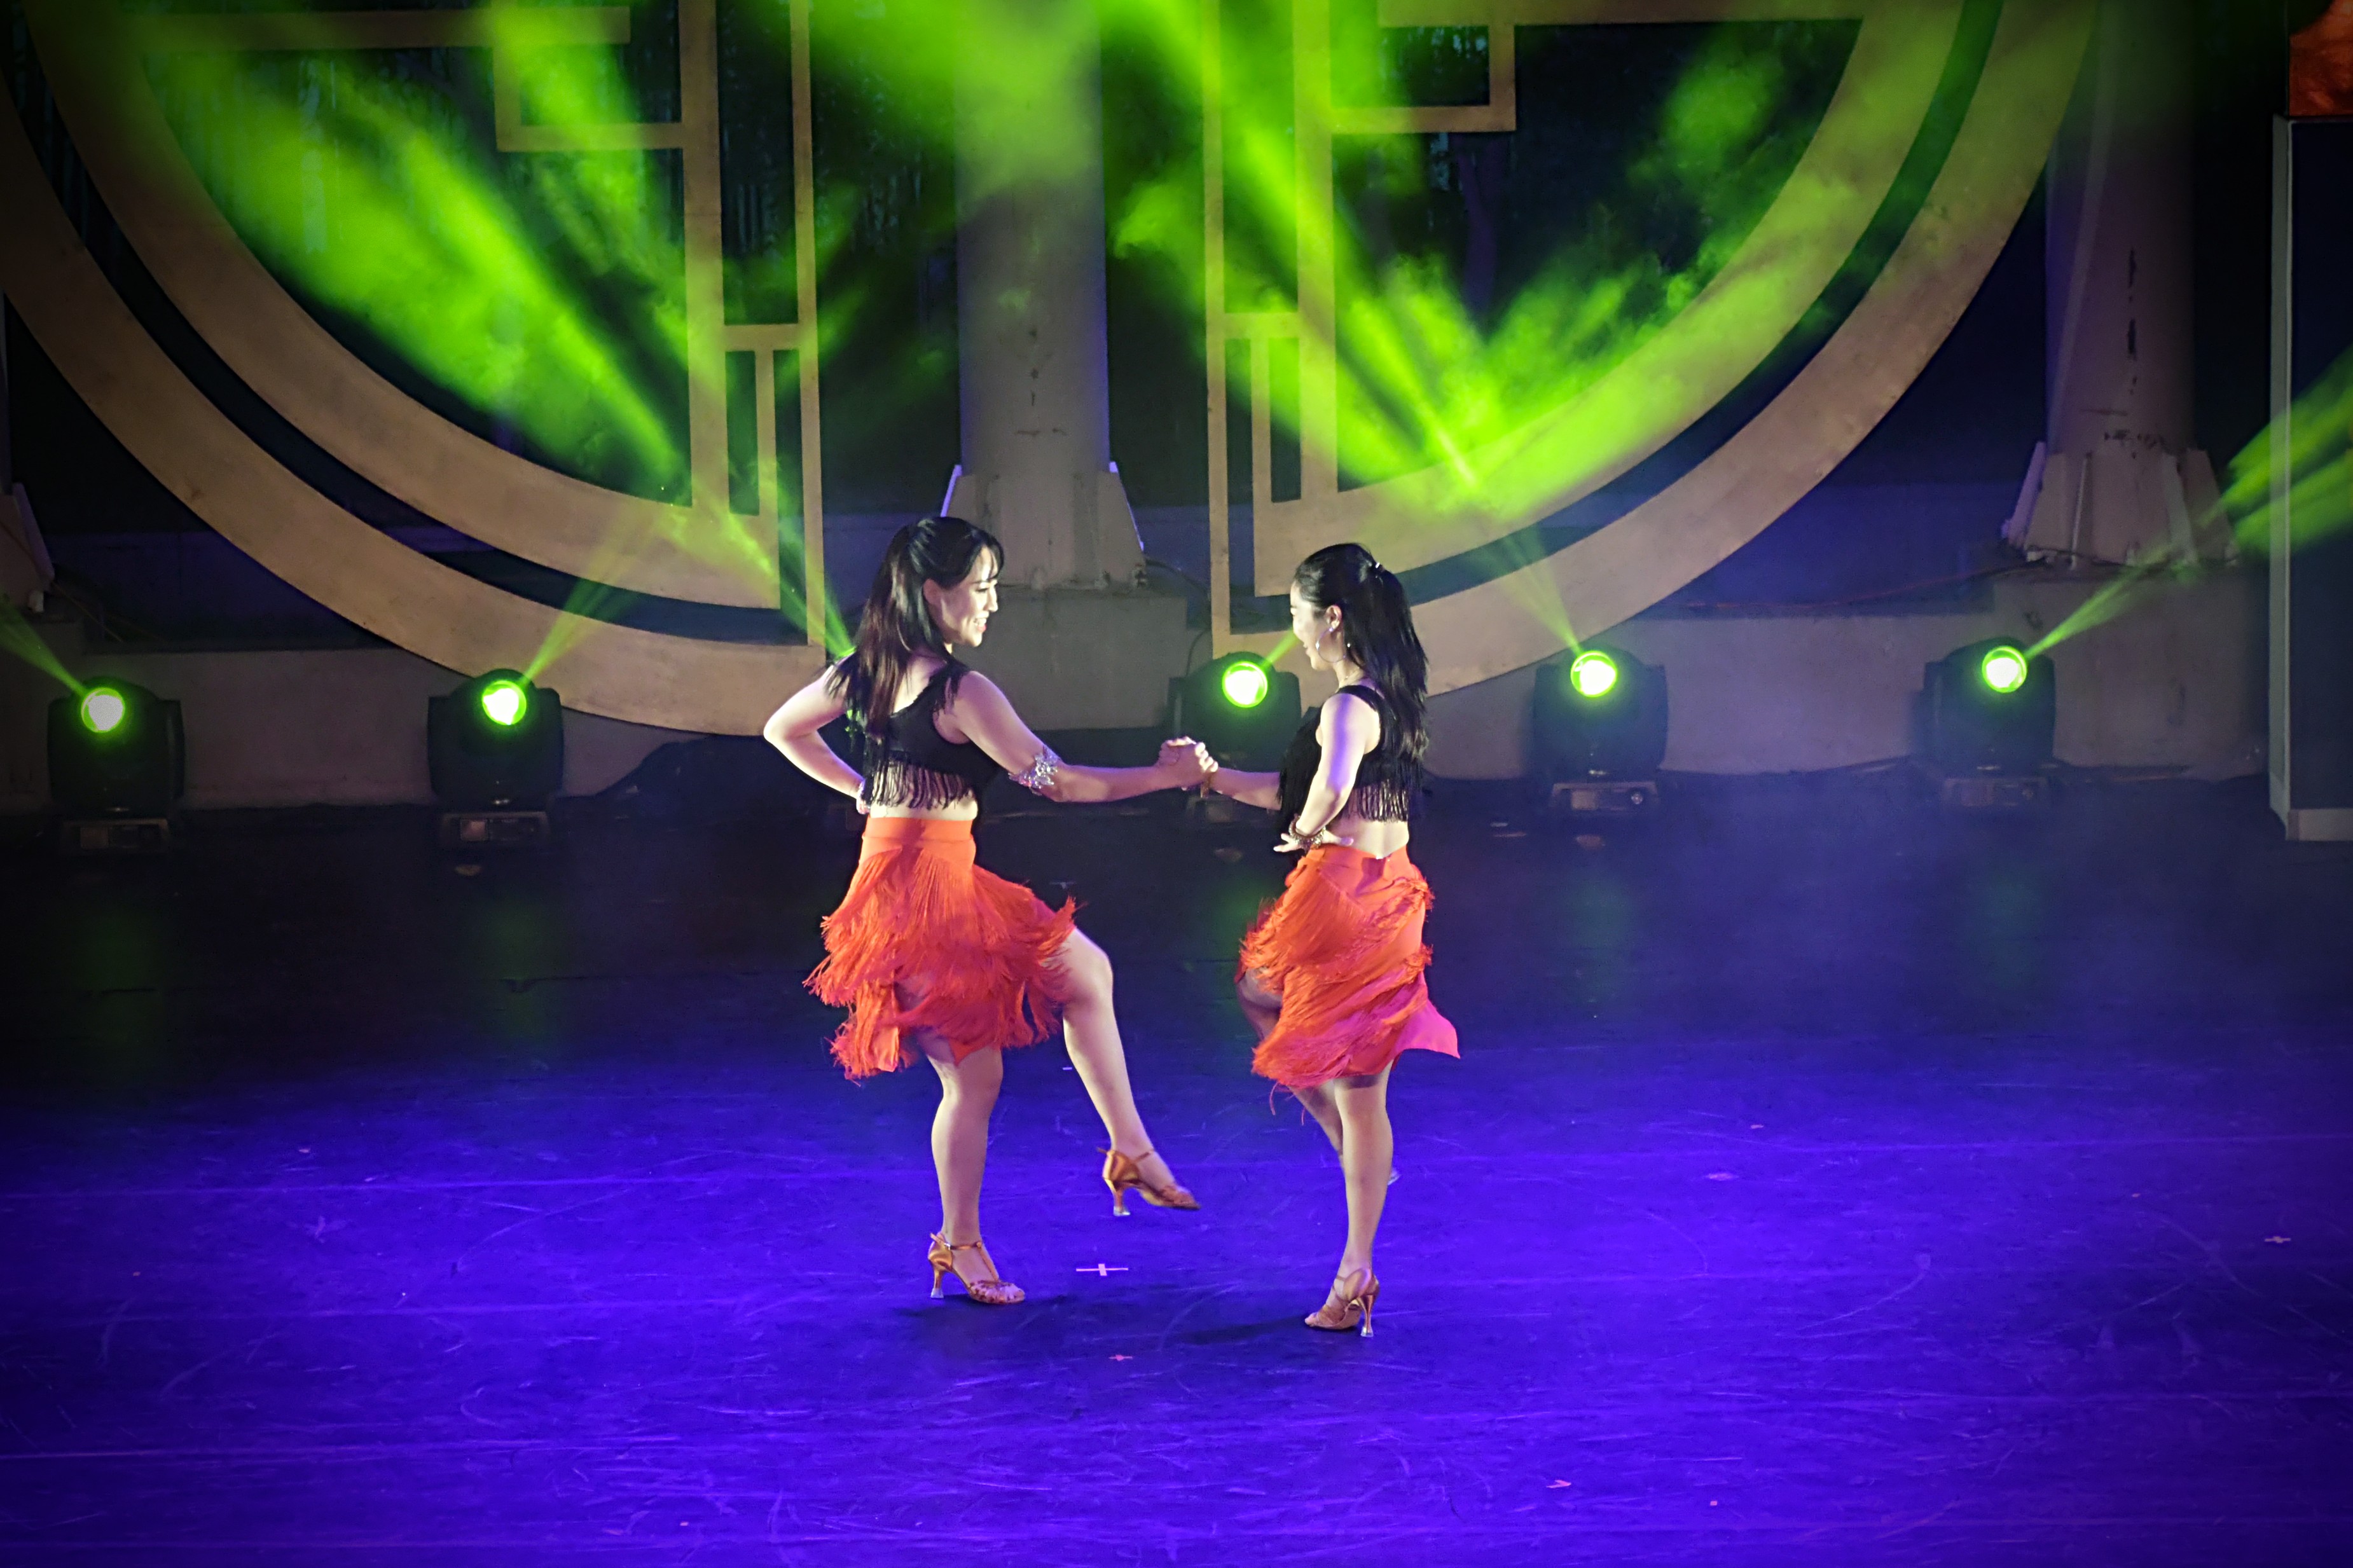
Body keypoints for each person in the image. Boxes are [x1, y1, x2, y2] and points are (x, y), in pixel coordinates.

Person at [762, 516, 1206, 1307]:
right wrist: (1165, 777)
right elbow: (1059, 784)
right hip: (919, 894)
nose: (993, 603)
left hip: (928, 875)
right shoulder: (961, 691)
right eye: (983, 587)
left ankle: (1130, 1150)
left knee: (1084, 974)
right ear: (935, 593)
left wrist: (867, 793)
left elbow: (783, 729)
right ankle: (960, 1240)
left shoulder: (866, 671)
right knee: (973, 1078)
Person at [1194, 543, 1458, 1336]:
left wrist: (1304, 831)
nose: (1295, 630)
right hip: (1394, 891)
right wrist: (1211, 778)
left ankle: (1355, 1266)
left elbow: (1328, 788)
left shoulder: (1347, 710)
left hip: (1344, 892)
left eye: (1296, 615)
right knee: (1295, 1024)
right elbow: (1294, 788)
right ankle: (1356, 1204)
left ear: (1331, 618)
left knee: (1336, 1065)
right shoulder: (1390, 701)